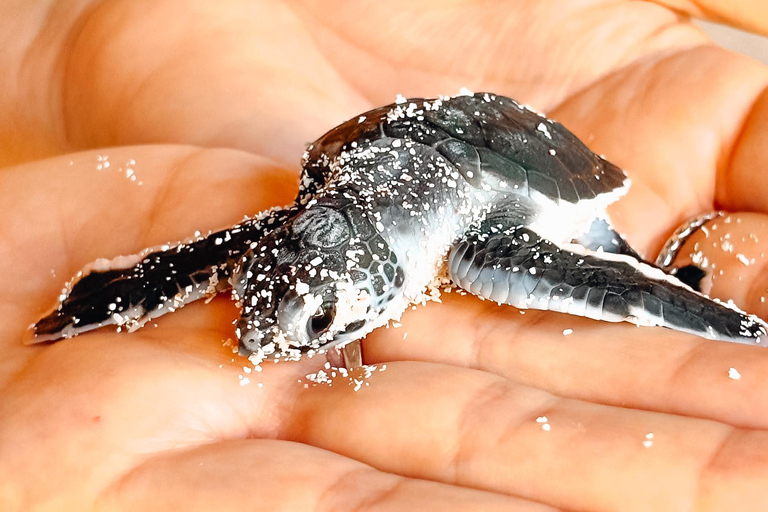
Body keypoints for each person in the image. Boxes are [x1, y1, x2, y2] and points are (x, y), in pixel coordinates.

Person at [2, 1, 768, 509]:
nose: (261, 341)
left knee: (605, 267)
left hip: (517, 171)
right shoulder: (314, 209)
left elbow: (575, 261)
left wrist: (702, 315)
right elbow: (257, 248)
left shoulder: (482, 241)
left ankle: (687, 290)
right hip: (379, 152)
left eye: (317, 320)